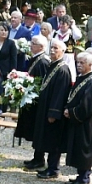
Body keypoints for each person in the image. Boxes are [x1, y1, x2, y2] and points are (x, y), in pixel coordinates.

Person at [31, 40, 73, 176]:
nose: (53, 50)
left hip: (54, 112)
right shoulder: (52, 65)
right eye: (52, 47)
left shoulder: (62, 69)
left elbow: (60, 94)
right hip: (46, 108)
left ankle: (53, 169)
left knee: (54, 141)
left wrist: (53, 113)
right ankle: (47, 165)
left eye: (56, 48)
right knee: (47, 139)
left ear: (63, 51)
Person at [62, 52, 92, 184]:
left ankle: (84, 177)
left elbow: (87, 105)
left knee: (84, 148)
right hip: (76, 121)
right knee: (77, 147)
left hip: (85, 123)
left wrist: (71, 112)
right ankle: (80, 175)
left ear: (90, 65)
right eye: (77, 62)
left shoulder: (91, 82)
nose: (79, 65)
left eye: (82, 63)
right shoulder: (81, 78)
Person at [15, 35, 50, 145]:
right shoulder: (35, 58)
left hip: (36, 100)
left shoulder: (43, 61)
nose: (30, 45)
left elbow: (41, 82)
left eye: (33, 44)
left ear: (41, 47)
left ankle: (38, 157)